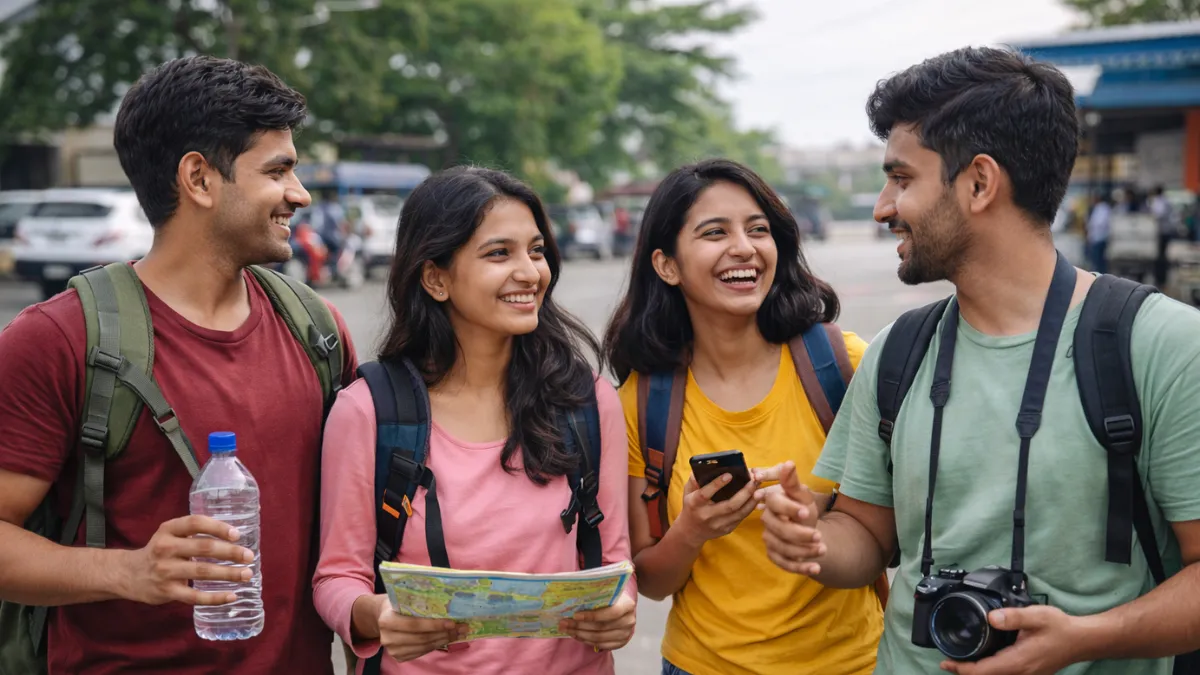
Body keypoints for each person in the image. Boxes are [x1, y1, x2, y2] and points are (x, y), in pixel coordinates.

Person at [759, 46, 1200, 675]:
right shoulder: (898, 353)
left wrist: (1088, 638)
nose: (883, 206)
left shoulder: (1163, 346)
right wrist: (812, 541)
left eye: (902, 178)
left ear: (979, 182)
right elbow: (864, 536)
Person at [0, 55, 358, 674]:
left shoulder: (317, 330)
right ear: (198, 178)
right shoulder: (59, 339)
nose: (299, 195)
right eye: (278, 171)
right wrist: (128, 570)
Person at [312, 166, 635, 675]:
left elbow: (613, 559)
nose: (531, 272)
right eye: (498, 253)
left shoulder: (586, 400)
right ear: (435, 277)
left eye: (536, 250)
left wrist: (618, 612)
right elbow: (336, 578)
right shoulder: (370, 409)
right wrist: (376, 614)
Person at [602, 158, 884, 675]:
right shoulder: (639, 402)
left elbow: (886, 538)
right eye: (715, 232)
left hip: (853, 664)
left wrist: (815, 522)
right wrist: (691, 530)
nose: (745, 248)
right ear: (667, 265)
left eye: (758, 229)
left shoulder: (843, 366)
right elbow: (651, 580)